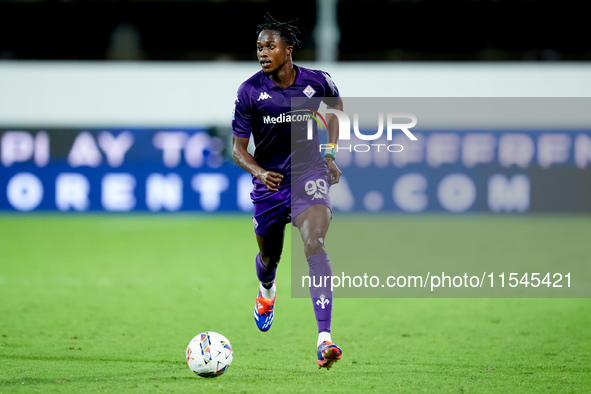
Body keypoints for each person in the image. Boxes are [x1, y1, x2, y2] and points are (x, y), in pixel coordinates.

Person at [231, 13, 344, 370]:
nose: (263, 53)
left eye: (270, 46)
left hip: (309, 174)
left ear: (288, 50)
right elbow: (237, 149)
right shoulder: (250, 91)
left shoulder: (316, 81)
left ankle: (324, 339)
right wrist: (260, 171)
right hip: (270, 185)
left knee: (314, 243)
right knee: (269, 260)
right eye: (259, 47)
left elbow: (336, 108)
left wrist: (329, 154)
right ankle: (267, 292)